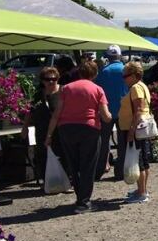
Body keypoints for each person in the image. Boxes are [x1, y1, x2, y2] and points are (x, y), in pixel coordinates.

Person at [45, 60, 112, 214]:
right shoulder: (97, 89)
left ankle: (79, 197)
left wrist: (49, 135)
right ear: (95, 74)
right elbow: (106, 116)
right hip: (89, 129)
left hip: (66, 129)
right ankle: (84, 202)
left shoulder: (66, 88)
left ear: (80, 73)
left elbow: (57, 114)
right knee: (88, 165)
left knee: (73, 165)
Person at [117, 61, 154, 203]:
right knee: (143, 160)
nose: (123, 78)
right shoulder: (143, 86)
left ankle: (142, 193)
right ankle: (142, 189)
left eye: (125, 75)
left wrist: (131, 130)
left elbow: (138, 110)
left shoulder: (135, 88)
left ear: (134, 75)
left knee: (138, 161)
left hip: (134, 129)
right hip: (141, 128)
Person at [20, 67, 64, 185]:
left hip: (60, 129)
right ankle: (47, 181)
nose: (51, 81)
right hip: (42, 128)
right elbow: (29, 111)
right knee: (42, 155)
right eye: (47, 79)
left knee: (62, 154)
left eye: (54, 79)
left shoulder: (63, 92)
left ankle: (64, 180)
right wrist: (25, 127)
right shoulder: (38, 95)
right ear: (42, 81)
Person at [95, 44, 128, 180]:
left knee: (104, 142)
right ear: (119, 56)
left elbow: (98, 91)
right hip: (123, 111)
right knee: (122, 142)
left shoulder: (103, 72)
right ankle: (120, 172)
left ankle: (100, 170)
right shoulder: (125, 70)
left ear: (107, 57)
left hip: (106, 112)